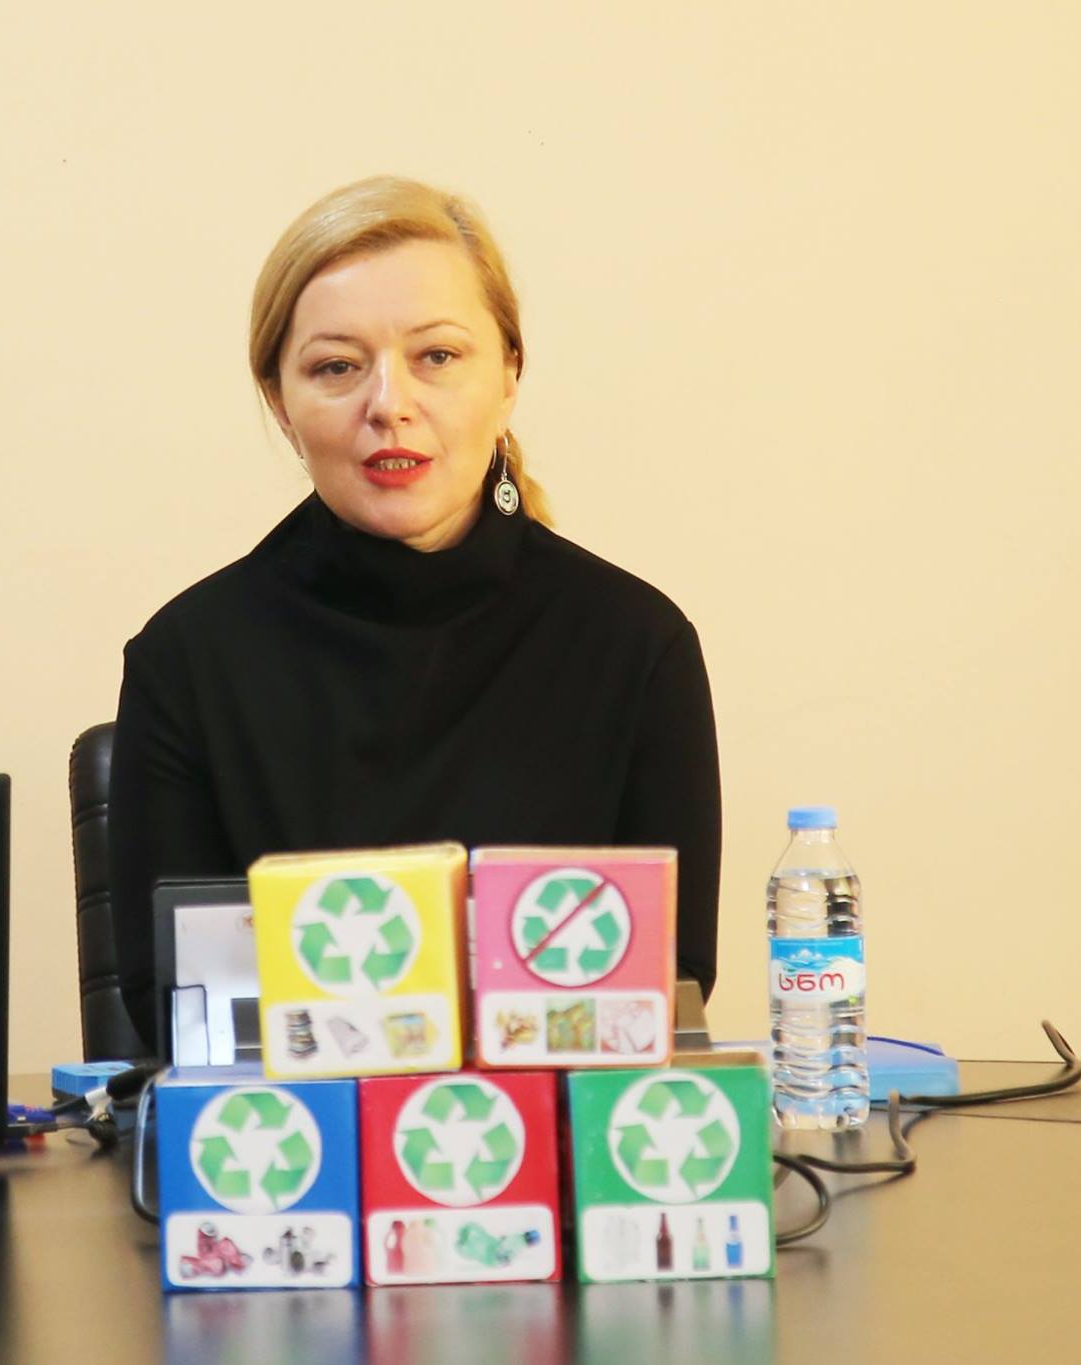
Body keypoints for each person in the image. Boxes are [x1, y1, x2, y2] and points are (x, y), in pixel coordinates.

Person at [109, 175, 721, 1052]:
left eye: (437, 356)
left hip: (557, 1132)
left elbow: (665, 991)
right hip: (291, 1133)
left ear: (508, 377)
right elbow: (182, 1014)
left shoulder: (636, 645)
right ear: (280, 403)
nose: (389, 403)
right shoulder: (187, 661)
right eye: (336, 367)